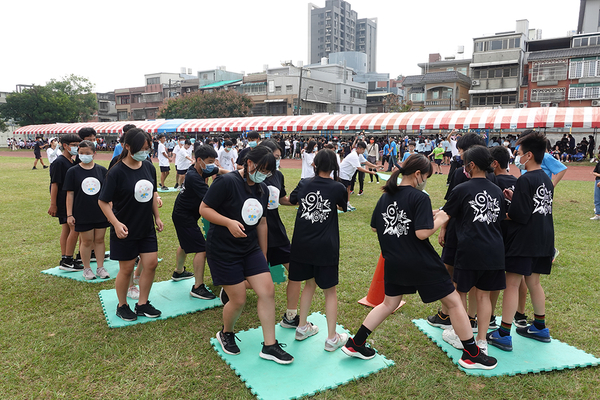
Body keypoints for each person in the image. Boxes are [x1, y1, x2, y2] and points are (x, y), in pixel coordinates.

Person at [342, 154, 496, 370]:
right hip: (420, 262)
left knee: (388, 303)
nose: (425, 180)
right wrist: (442, 218)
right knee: (453, 302)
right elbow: (422, 233)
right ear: (417, 174)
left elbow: (377, 227)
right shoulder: (419, 197)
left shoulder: (386, 196)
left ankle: (355, 342)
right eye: (426, 176)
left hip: (394, 260)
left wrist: (424, 216)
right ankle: (472, 354)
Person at [200, 145, 294, 364]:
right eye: (262, 169)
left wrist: (262, 254)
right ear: (250, 163)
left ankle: (270, 346)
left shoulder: (263, 190)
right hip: (223, 250)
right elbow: (204, 209)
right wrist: (228, 222)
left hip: (250, 248)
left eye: (269, 172)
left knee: (267, 290)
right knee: (239, 299)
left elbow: (262, 222)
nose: (265, 175)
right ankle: (226, 332)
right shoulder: (226, 182)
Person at [487, 131, 555, 352]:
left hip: (524, 240)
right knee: (534, 282)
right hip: (543, 238)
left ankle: (504, 333)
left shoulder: (525, 179)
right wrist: (515, 199)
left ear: (530, 155)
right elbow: (533, 208)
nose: (517, 156)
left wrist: (506, 209)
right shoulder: (546, 179)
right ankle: (540, 327)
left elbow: (519, 215)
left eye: (519, 153)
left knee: (512, 284)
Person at [440, 146, 506, 355]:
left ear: (472, 165)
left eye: (465, 163)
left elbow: (446, 214)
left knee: (460, 292)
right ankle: (481, 340)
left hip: (470, 249)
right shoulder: (496, 189)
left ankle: (462, 335)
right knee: (483, 296)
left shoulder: (462, 189)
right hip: (495, 249)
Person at [98, 128, 164, 322]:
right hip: (124, 229)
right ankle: (122, 305)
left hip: (146, 227)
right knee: (126, 269)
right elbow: (103, 202)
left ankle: (142, 304)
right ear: (127, 147)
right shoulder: (116, 172)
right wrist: (116, 224)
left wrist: (157, 217)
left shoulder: (149, 167)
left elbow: (151, 193)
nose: (145, 152)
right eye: (141, 148)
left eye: (148, 148)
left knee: (150, 264)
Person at [288, 149, 349, 351]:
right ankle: (332, 338)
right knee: (329, 291)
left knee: (309, 284)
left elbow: (293, 199)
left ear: (314, 164)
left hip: (301, 244)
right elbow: (343, 206)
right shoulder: (338, 187)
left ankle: (302, 327)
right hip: (325, 246)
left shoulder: (305, 182)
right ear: (333, 167)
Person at [171, 144, 228, 299]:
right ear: (199, 160)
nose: (213, 165)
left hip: (186, 214)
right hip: (183, 216)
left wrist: (237, 175)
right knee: (201, 249)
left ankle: (179, 272)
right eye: (210, 161)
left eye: (213, 161)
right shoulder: (193, 177)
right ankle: (197, 287)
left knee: (185, 243)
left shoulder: (202, 168)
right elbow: (212, 198)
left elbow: (221, 171)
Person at [257, 140, 301, 329]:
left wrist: (301, 198)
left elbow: (281, 199)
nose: (277, 161)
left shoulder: (278, 175)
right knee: (254, 276)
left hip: (276, 231)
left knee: (296, 270)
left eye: (278, 158)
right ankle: (231, 290)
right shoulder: (252, 177)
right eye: (275, 157)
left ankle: (291, 316)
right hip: (254, 233)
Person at [64, 140, 110, 280]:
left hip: (100, 212)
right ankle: (87, 268)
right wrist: (69, 214)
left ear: (94, 154)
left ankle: (100, 268)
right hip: (82, 212)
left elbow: (108, 193)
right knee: (86, 241)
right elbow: (70, 194)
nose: (84, 155)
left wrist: (110, 211)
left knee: (100, 239)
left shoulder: (102, 170)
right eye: (81, 153)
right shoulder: (72, 171)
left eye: (88, 153)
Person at [48, 134, 82, 271]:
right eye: (74, 144)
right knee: (72, 228)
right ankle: (67, 258)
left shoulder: (71, 161)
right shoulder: (59, 162)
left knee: (67, 228)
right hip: (63, 201)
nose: (76, 147)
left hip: (71, 200)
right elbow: (54, 184)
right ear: (65, 145)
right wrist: (53, 204)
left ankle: (66, 258)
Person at [339, 141, 378, 211]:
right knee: (344, 190)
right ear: (359, 148)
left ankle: (347, 203)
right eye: (363, 149)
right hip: (343, 174)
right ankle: (342, 205)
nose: (364, 151)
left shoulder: (359, 155)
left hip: (348, 175)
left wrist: (375, 166)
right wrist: (370, 172)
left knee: (348, 189)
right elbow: (359, 168)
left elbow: (365, 162)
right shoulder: (354, 155)